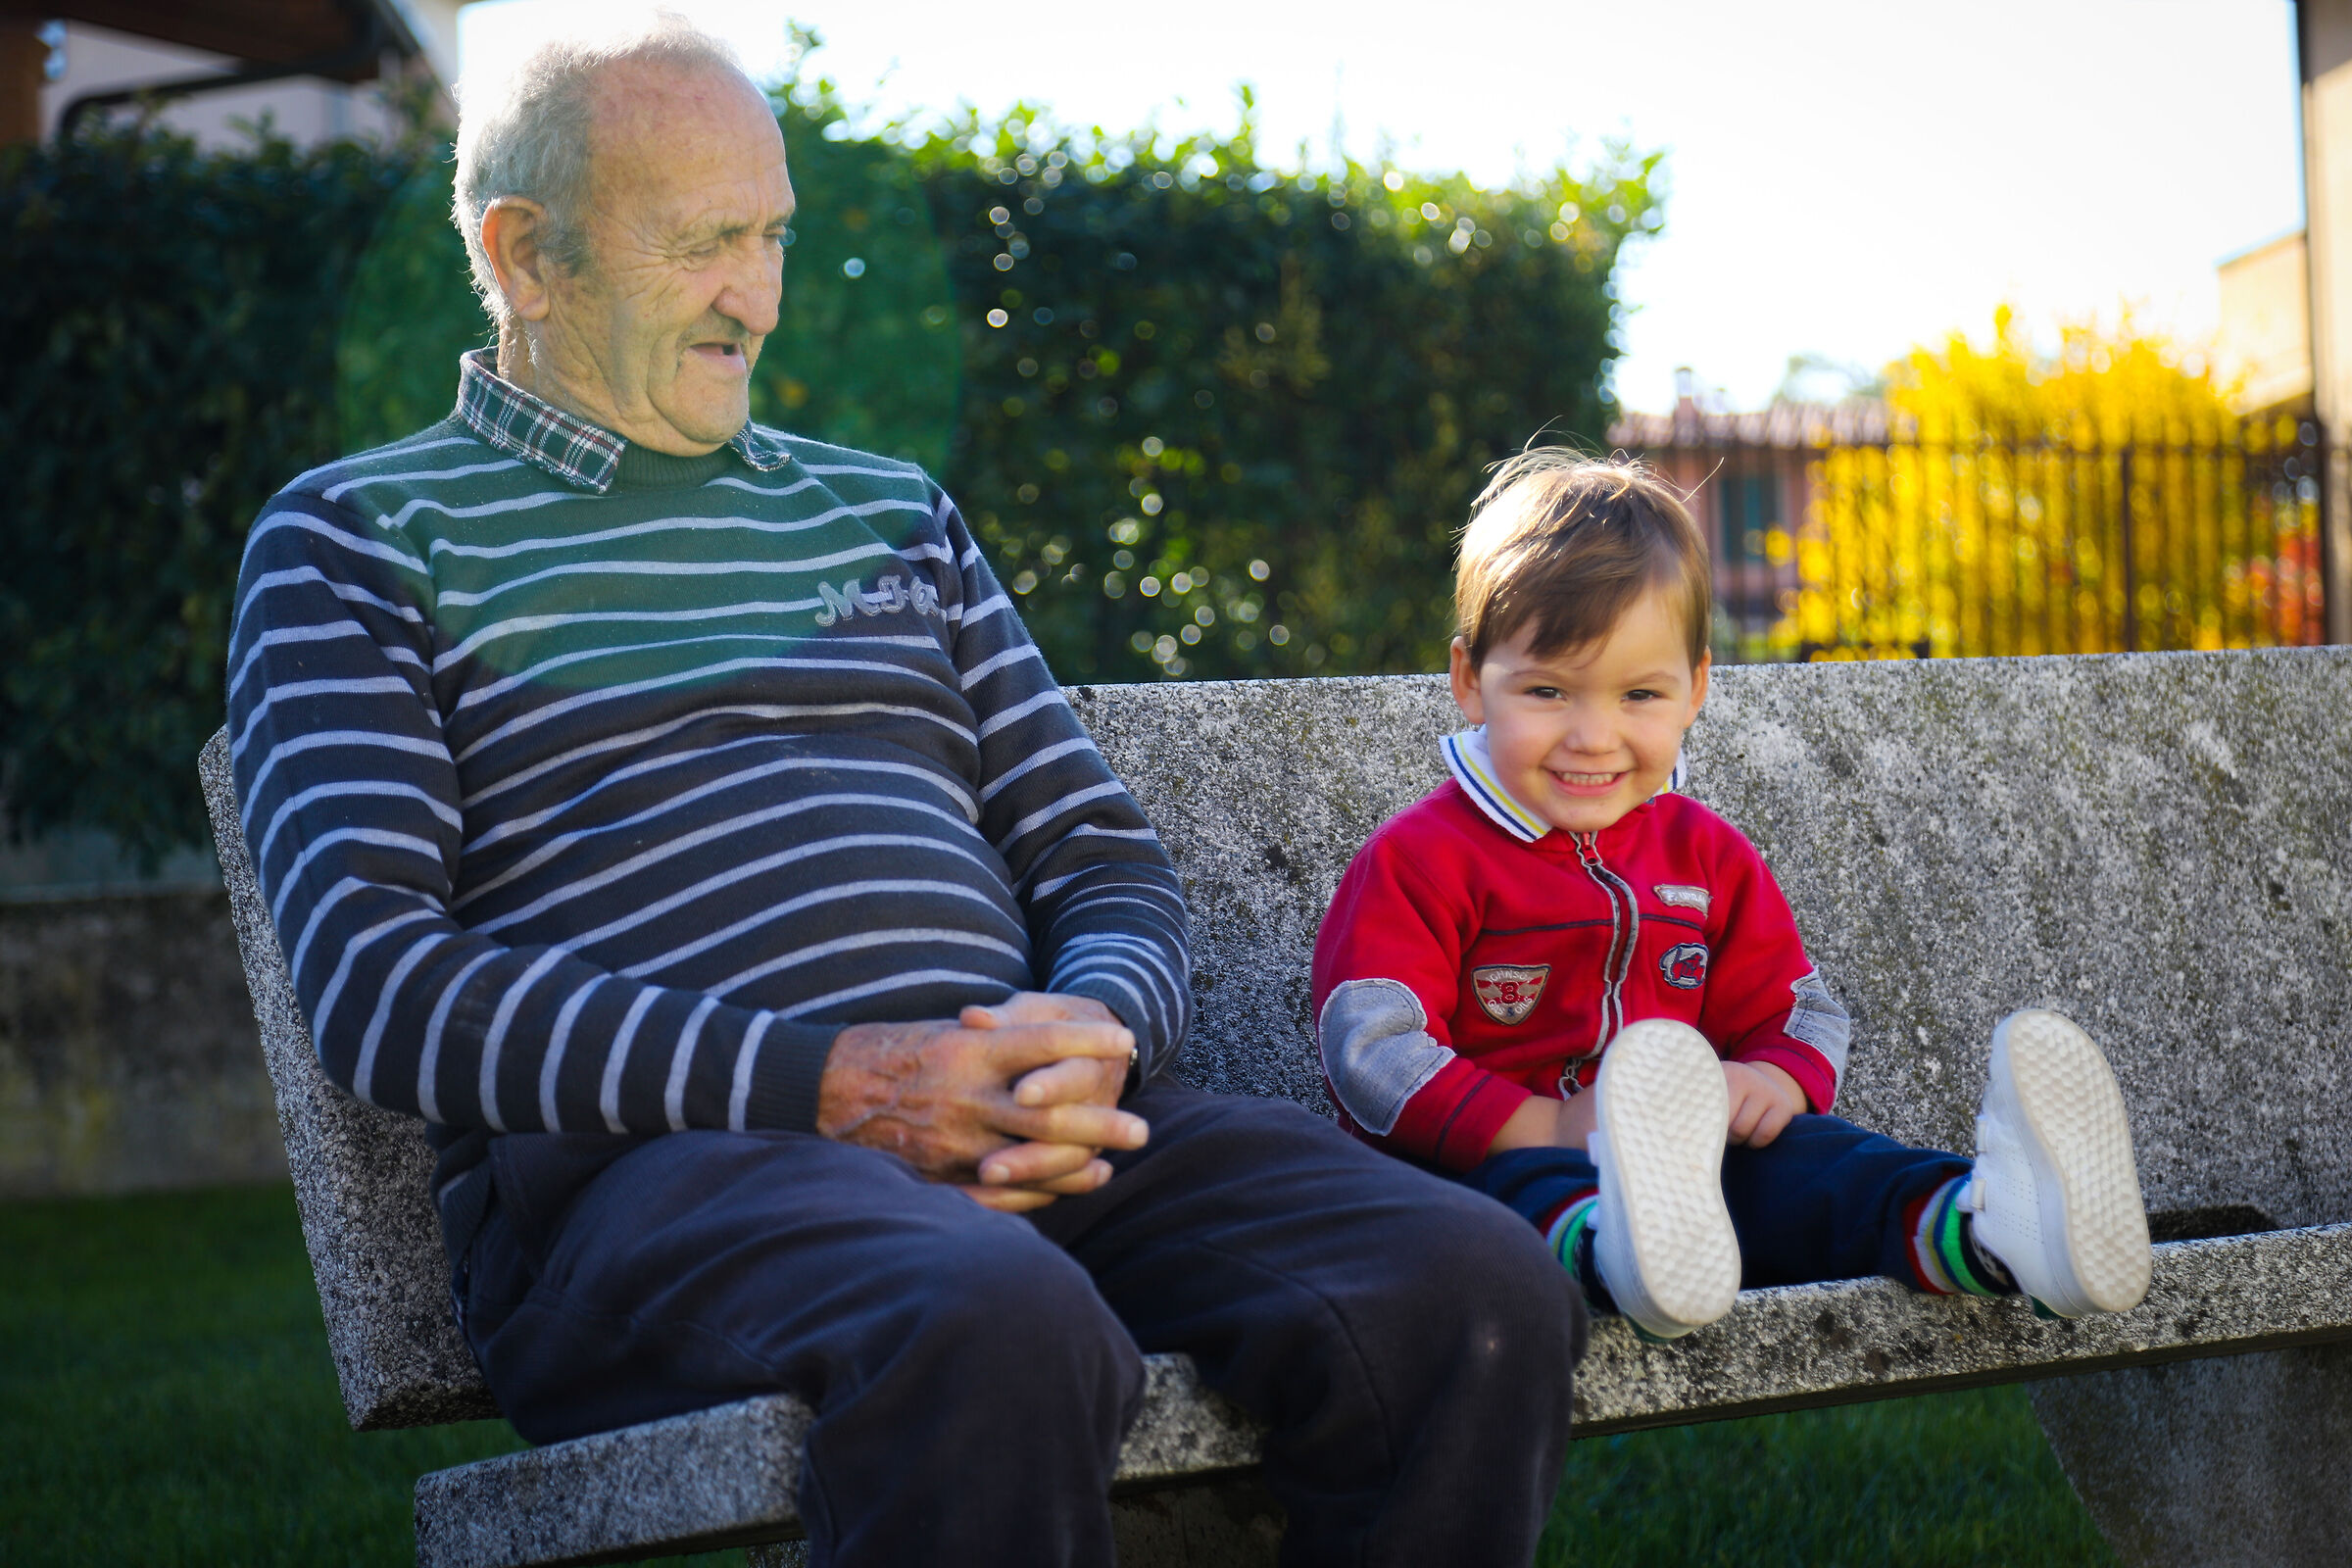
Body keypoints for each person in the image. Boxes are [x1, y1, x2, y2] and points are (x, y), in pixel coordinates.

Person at [225, 18, 1581, 1567]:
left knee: (1475, 1289)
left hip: (1038, 1127)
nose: (756, 294)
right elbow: (381, 983)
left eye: (772, 237)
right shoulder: (357, 542)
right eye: (702, 243)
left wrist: (1100, 1032)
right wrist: (840, 1082)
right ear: (528, 258)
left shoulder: (888, 514)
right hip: (667, 1186)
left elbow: (1098, 858)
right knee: (991, 1323)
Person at [1310, 450, 2154, 1341]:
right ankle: (1616, 1249)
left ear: (1696, 690)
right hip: (1474, 1173)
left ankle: (1995, 1226)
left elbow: (1800, 1010)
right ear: (1470, 682)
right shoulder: (1423, 859)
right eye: (1549, 691)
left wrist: (1769, 1080)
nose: (1594, 736)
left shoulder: (1704, 853)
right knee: (1508, 1198)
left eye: (1639, 693)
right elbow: (1374, 1049)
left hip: (1694, 1182)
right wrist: (1544, 1122)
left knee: (1825, 1165)